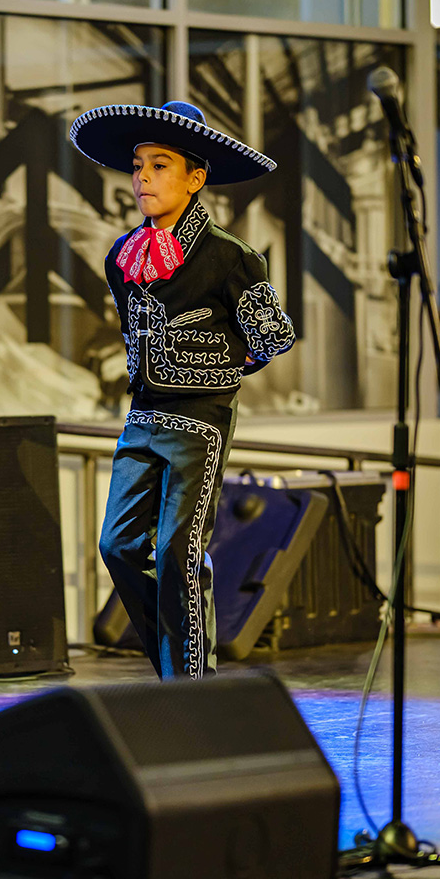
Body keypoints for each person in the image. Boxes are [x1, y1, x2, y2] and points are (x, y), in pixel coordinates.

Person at [70, 100, 295, 680]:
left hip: (200, 419)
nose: (143, 177)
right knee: (118, 547)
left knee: (178, 552)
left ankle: (190, 684)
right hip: (143, 416)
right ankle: (179, 666)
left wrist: (219, 364)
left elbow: (273, 336)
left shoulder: (231, 257)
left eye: (160, 165)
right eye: (138, 165)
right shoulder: (122, 257)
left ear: (195, 179)